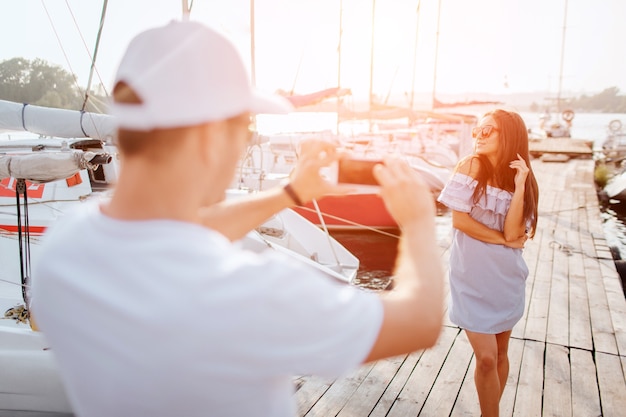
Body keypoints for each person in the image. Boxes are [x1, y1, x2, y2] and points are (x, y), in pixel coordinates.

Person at [31, 20, 444, 417]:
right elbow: (420, 322)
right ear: (210, 136)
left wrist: (292, 193)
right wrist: (419, 221)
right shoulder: (246, 290)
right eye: (245, 128)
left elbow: (179, 233)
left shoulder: (63, 248)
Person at [437, 109, 539, 417]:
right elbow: (460, 222)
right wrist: (501, 241)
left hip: (506, 277)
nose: (478, 136)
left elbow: (513, 232)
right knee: (485, 358)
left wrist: (521, 184)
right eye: (477, 131)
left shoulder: (523, 180)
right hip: (471, 276)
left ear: (508, 136)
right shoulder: (470, 166)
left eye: (487, 131)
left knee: (501, 353)